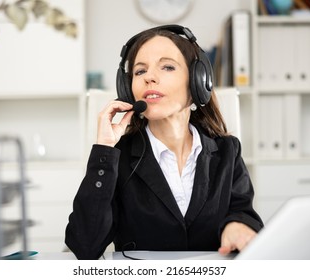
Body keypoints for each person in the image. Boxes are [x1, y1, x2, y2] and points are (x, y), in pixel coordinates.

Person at [65, 25, 263, 260]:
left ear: (198, 83)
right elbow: (85, 246)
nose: (149, 77)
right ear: (128, 90)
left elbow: (243, 212)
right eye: (139, 71)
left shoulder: (227, 151)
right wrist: (104, 150)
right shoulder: (117, 158)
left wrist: (237, 224)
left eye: (167, 67)